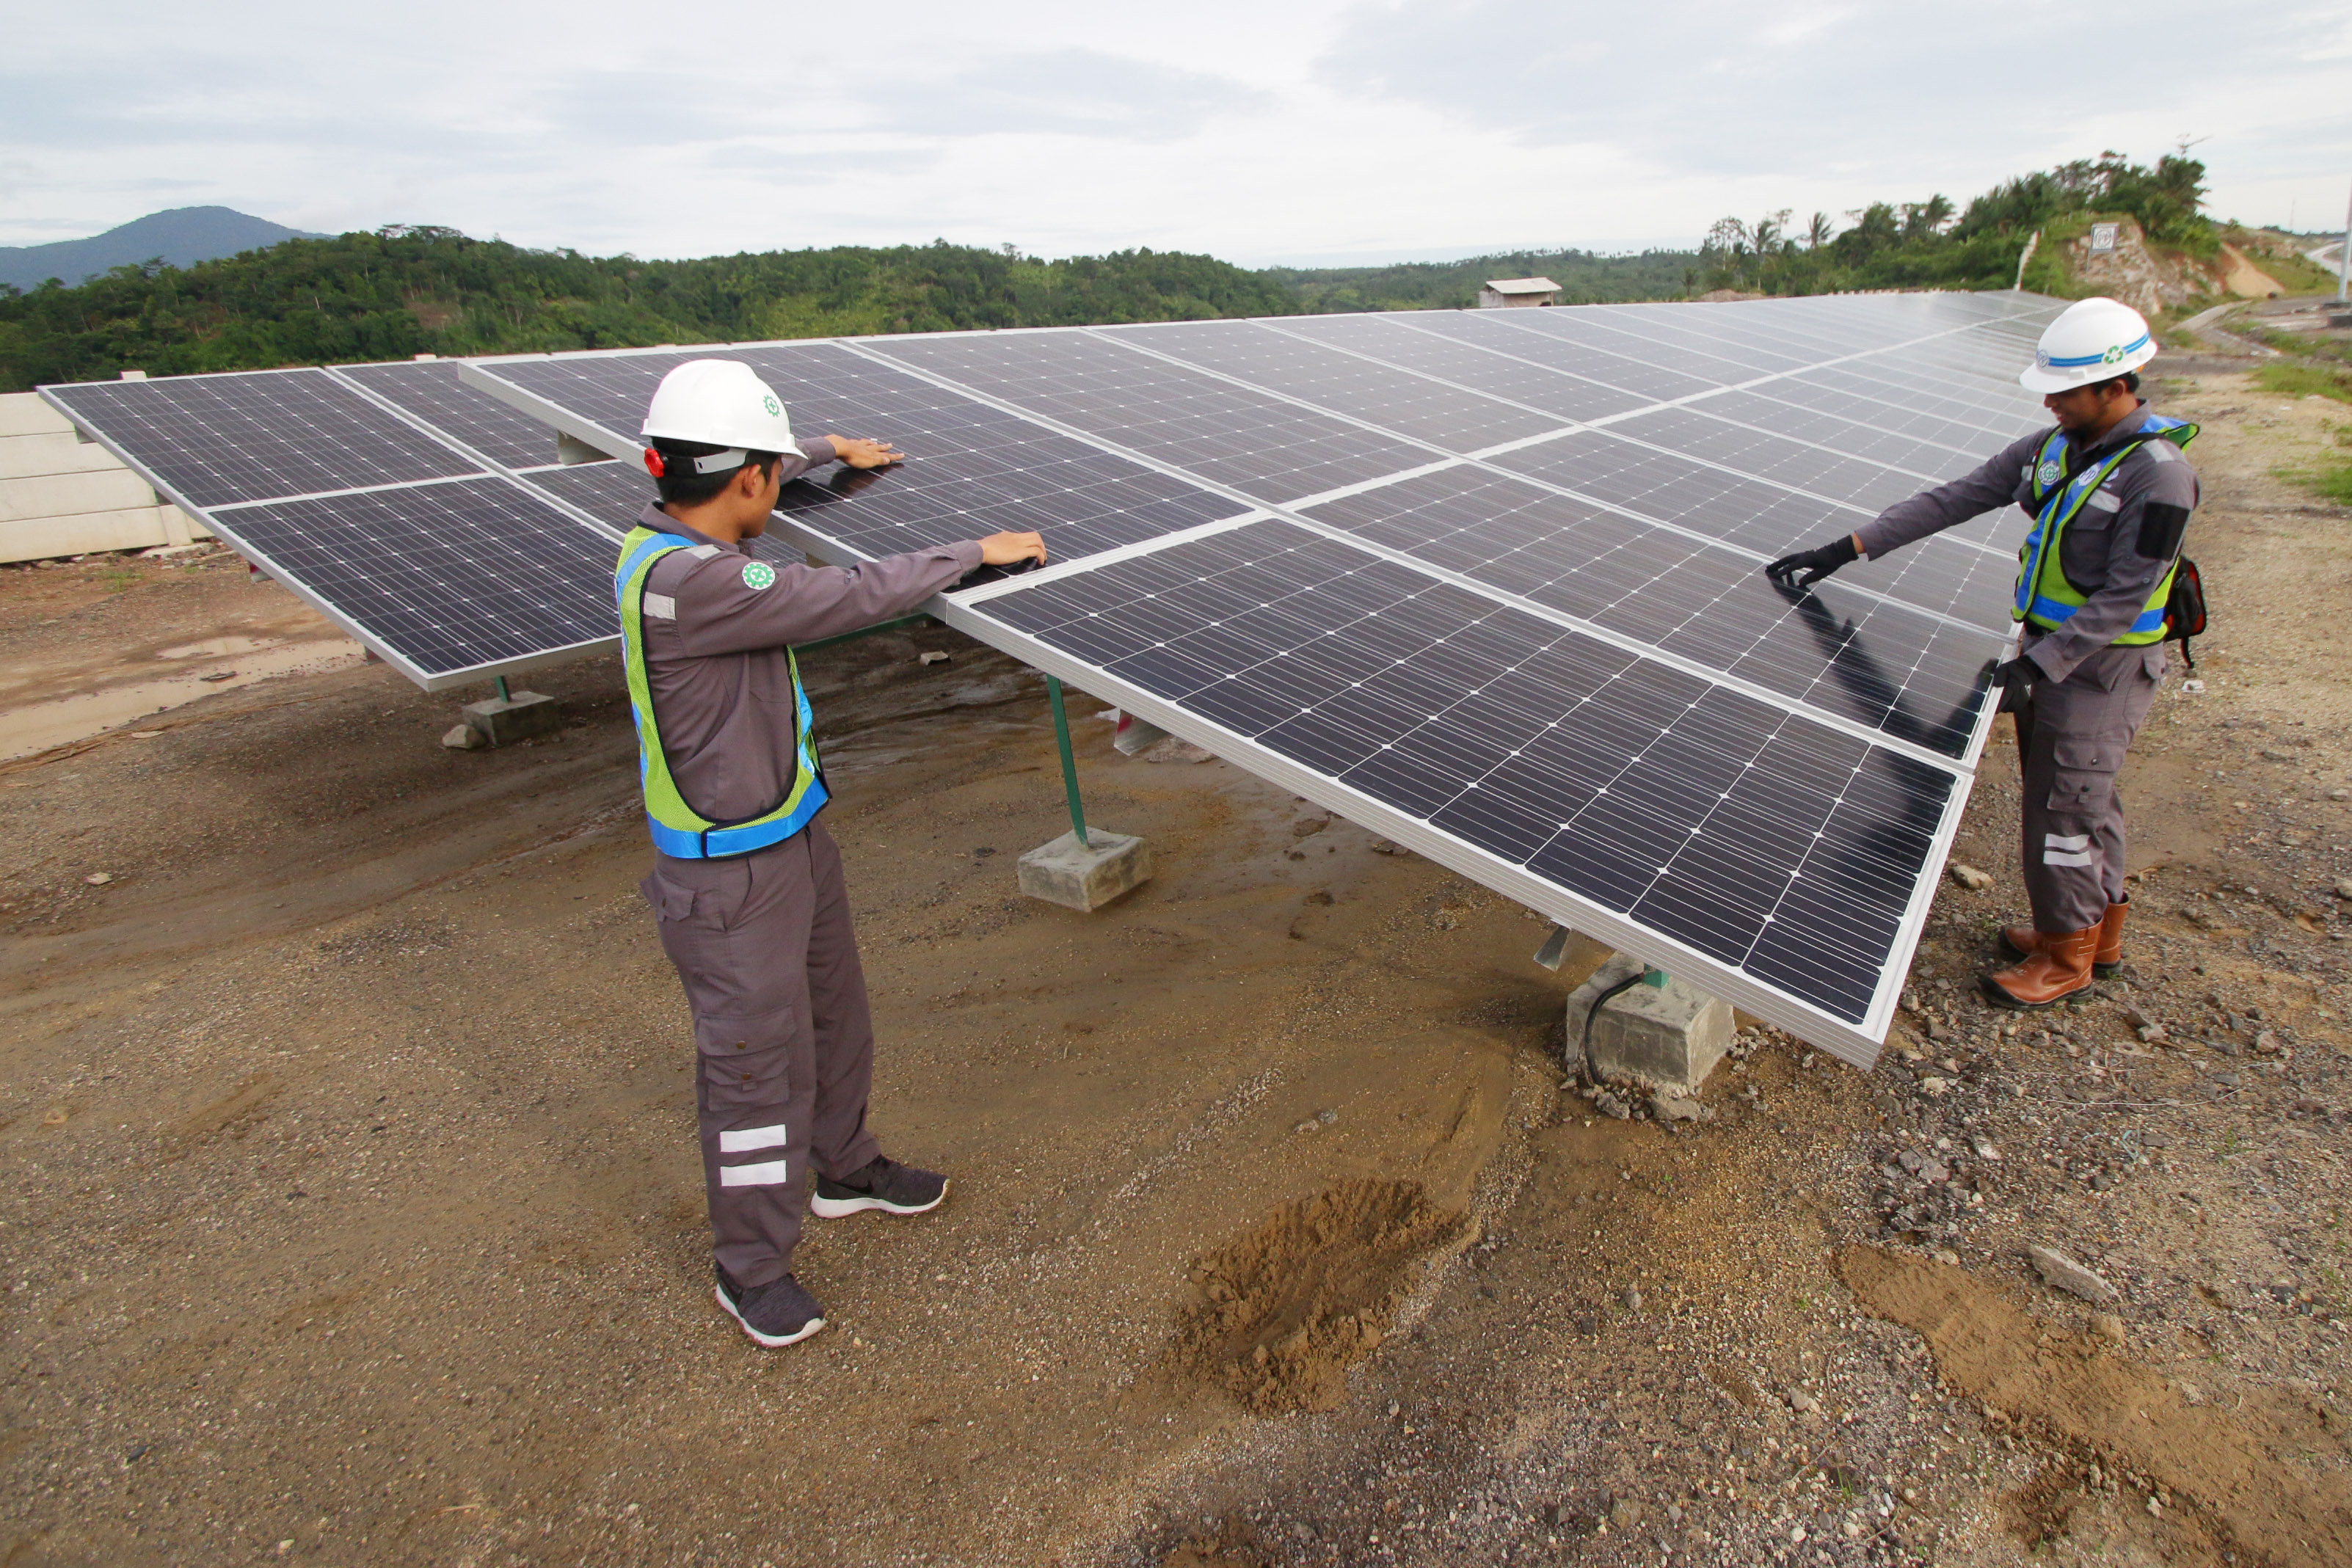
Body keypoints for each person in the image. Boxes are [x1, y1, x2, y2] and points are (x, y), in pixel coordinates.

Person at [616, 359, 1046, 1347]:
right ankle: (751, 1268)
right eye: (772, 472)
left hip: (792, 835)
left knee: (835, 1016)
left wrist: (821, 450)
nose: (778, 484)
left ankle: (846, 1168)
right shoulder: (693, 583)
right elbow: (848, 594)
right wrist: (972, 552)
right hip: (729, 880)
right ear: (746, 481)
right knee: (753, 1074)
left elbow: (744, 474)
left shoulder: (678, 525)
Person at [1763, 296, 2197, 1010]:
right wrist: (1848, 547)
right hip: (2051, 653)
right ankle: (2091, 934)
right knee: (2081, 798)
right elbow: (1956, 498)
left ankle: (2067, 957)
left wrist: (2039, 665)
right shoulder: (2052, 448)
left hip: (2100, 667)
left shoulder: (2158, 475)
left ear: (2116, 387)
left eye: (2065, 392)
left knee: (2064, 809)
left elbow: (2127, 594)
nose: (2050, 402)